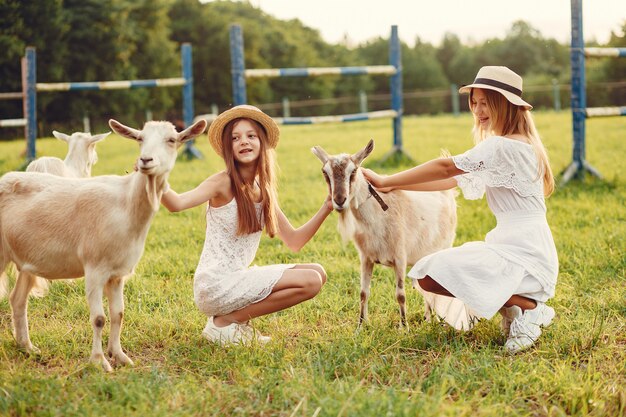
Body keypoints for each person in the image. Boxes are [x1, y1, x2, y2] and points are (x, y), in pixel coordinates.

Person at [362, 66, 558, 353]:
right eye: (474, 103)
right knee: (430, 272)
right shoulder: (517, 144)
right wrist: (396, 188)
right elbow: (450, 180)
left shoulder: (501, 147)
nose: (478, 111)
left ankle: (530, 309)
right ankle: (515, 309)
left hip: (524, 249)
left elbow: (445, 166)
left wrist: (387, 179)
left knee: (430, 273)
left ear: (505, 104)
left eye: (485, 103)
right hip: (518, 243)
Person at [161, 105, 333, 346]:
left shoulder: (262, 190)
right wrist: (153, 176)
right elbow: (176, 204)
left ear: (262, 142)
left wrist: (326, 206)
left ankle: (228, 322)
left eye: (251, 135)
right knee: (311, 280)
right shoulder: (222, 182)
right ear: (228, 148)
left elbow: (294, 241)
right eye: (235, 137)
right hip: (214, 284)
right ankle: (225, 323)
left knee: (319, 272)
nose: (244, 141)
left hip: (237, 278)